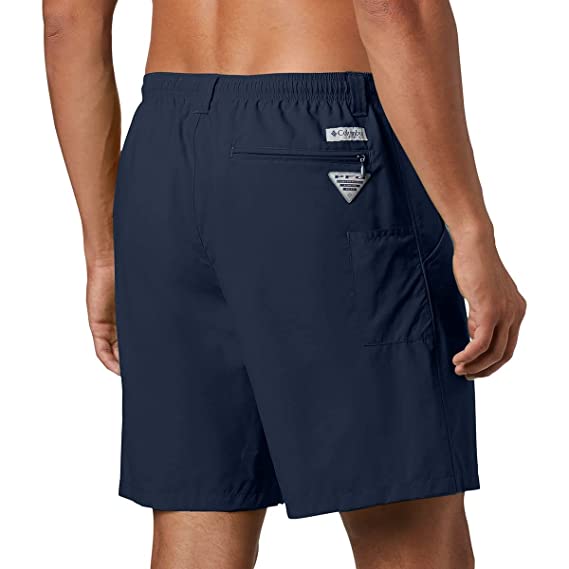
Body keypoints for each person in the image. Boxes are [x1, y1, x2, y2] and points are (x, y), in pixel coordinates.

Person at [44, 0, 526, 567]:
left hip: (164, 158)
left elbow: (66, 20)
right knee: (403, 514)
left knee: (199, 511)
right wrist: (471, 229)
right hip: (320, 144)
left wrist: (103, 251)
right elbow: (394, 9)